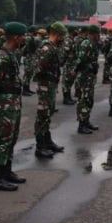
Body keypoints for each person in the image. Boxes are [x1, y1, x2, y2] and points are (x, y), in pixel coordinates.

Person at [0, 22, 28, 192]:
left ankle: (7, 171)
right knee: (3, 138)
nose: (24, 39)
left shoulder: (11, 54)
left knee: (11, 137)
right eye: (22, 36)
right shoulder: (1, 56)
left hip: (12, 101)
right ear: (16, 37)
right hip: (4, 102)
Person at [33, 22, 67, 158]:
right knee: (43, 114)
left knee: (48, 113)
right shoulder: (47, 48)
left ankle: (47, 141)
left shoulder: (53, 47)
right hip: (45, 85)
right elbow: (40, 68)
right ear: (57, 34)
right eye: (61, 35)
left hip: (50, 84)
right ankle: (40, 146)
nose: (62, 38)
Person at [75, 25, 101, 134]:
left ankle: (86, 121)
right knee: (83, 100)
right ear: (93, 33)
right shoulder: (86, 43)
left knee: (89, 99)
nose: (98, 36)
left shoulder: (93, 43)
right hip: (84, 76)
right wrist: (78, 69)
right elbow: (81, 59)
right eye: (97, 34)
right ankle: (81, 125)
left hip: (90, 76)